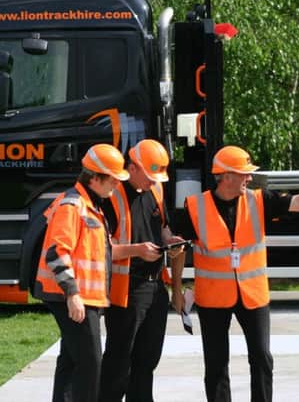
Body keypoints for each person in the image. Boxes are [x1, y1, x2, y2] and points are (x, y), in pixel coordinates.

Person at [176, 145, 299, 402]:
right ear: (226, 176)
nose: (249, 178)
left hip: (253, 296)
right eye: (244, 173)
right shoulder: (195, 207)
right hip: (213, 298)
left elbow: (298, 201)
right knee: (216, 365)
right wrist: (175, 288)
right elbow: (175, 247)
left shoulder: (259, 200)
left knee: (262, 358)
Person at [33, 143, 130, 402]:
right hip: (74, 297)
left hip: (85, 298)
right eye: (113, 180)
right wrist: (73, 294)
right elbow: (56, 253)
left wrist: (137, 251)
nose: (116, 185)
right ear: (96, 178)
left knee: (72, 361)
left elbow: (99, 253)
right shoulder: (73, 205)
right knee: (90, 363)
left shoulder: (91, 205)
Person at [99, 139, 186, 402]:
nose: (153, 182)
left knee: (147, 361)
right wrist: (136, 250)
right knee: (118, 362)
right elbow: (100, 248)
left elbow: (163, 228)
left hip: (155, 286)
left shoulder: (156, 190)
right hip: (127, 290)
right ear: (132, 167)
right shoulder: (111, 195)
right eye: (149, 176)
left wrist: (170, 242)